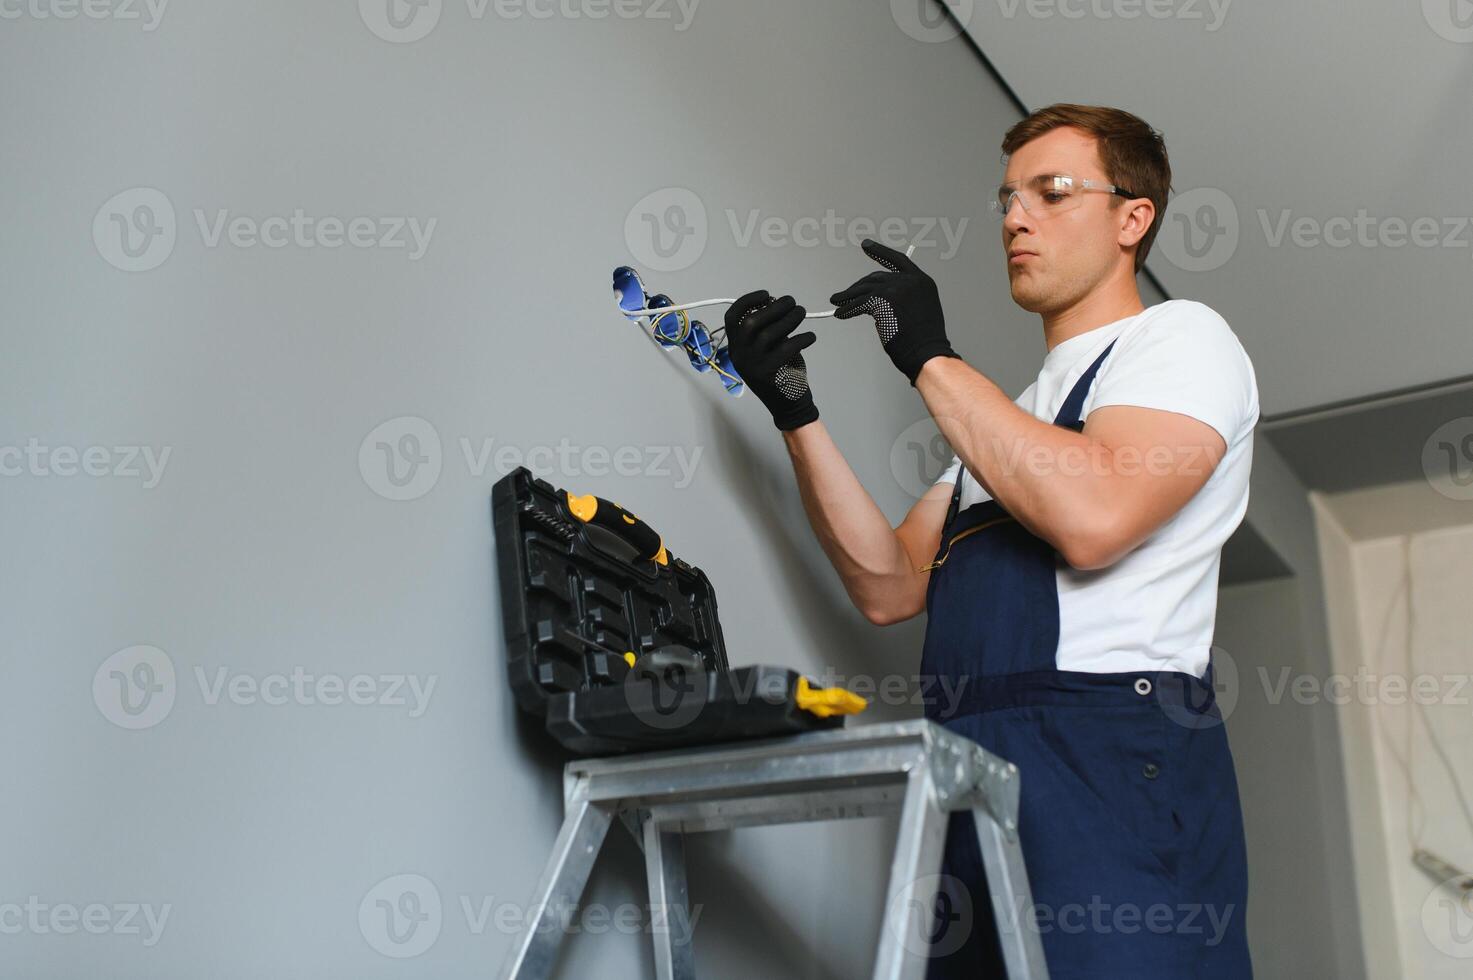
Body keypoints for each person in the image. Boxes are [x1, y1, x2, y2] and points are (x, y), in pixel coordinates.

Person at [724, 103, 1258, 978]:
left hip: (1106, 759)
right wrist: (795, 411)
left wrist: (928, 356)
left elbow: (1092, 519)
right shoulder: (1016, 418)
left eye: (1051, 193)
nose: (1015, 218)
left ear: (1133, 218)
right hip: (971, 761)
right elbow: (889, 583)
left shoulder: (1181, 340)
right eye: (1008, 198)